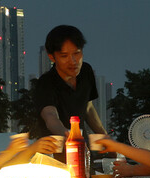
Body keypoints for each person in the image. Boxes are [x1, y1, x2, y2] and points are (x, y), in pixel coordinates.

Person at [34, 25, 108, 159]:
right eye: (64, 56)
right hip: (54, 155)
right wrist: (69, 137)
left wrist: (105, 137)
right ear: (52, 57)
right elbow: (50, 117)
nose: (73, 61)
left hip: (82, 151)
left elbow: (88, 108)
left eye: (77, 53)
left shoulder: (86, 71)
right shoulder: (46, 83)